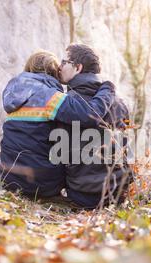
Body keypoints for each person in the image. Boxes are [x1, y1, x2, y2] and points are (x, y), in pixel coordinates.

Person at [0, 50, 115, 199]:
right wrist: (107, 89)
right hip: (39, 183)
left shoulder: (14, 93)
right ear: (54, 72)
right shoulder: (49, 96)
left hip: (5, 176)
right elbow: (89, 115)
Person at [58, 43, 132, 209]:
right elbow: (128, 151)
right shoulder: (120, 103)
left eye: (64, 62)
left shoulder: (67, 102)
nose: (59, 66)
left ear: (78, 67)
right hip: (117, 194)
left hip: (82, 196)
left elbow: (58, 154)